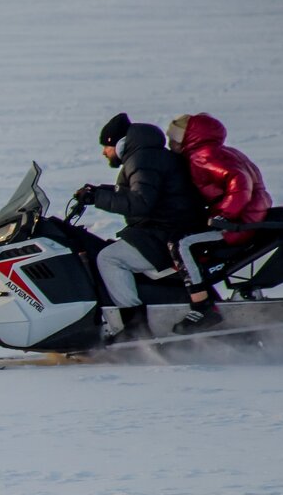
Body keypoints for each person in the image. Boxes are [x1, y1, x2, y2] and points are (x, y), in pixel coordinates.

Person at [76, 115, 204, 339]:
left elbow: (141, 202)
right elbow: (141, 191)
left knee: (110, 258)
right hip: (166, 229)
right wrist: (99, 192)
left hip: (166, 234)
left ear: (119, 144)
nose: (104, 153)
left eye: (106, 146)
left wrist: (96, 199)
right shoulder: (148, 156)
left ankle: (135, 328)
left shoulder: (142, 158)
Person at [166, 113, 273, 333]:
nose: (170, 143)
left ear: (186, 137)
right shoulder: (222, 151)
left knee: (181, 244)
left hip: (238, 223)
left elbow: (239, 181)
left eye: (174, 138)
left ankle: (202, 306)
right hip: (248, 219)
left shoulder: (202, 155)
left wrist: (224, 215)